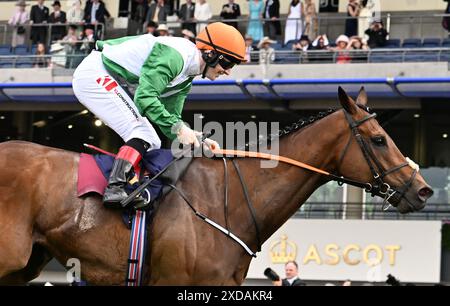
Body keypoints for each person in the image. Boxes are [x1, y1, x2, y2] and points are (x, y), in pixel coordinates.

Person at [72, 22, 244, 208]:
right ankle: (115, 187)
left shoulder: (187, 77)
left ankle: (129, 185)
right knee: (142, 133)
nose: (227, 71)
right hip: (95, 73)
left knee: (153, 140)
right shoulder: (175, 57)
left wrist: (197, 138)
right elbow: (145, 98)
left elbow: (171, 119)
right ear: (210, 53)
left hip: (108, 75)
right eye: (227, 63)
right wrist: (179, 130)